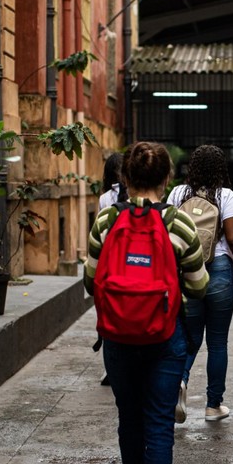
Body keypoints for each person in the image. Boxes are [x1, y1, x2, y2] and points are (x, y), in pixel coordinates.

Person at [84, 141, 208, 464]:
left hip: (118, 339)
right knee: (159, 428)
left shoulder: (105, 221)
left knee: (129, 420)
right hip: (164, 341)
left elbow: (90, 281)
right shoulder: (181, 225)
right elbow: (199, 286)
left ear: (125, 178)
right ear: (167, 179)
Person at [168, 144, 233, 422]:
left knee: (190, 336)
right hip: (219, 268)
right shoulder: (226, 195)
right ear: (221, 169)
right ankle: (213, 405)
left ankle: (179, 382)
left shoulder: (177, 193)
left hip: (187, 270)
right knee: (218, 342)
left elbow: (170, 232)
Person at [97, 152, 126, 386]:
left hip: (111, 263)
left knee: (110, 317)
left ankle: (111, 369)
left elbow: (100, 232)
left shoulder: (105, 198)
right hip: (133, 263)